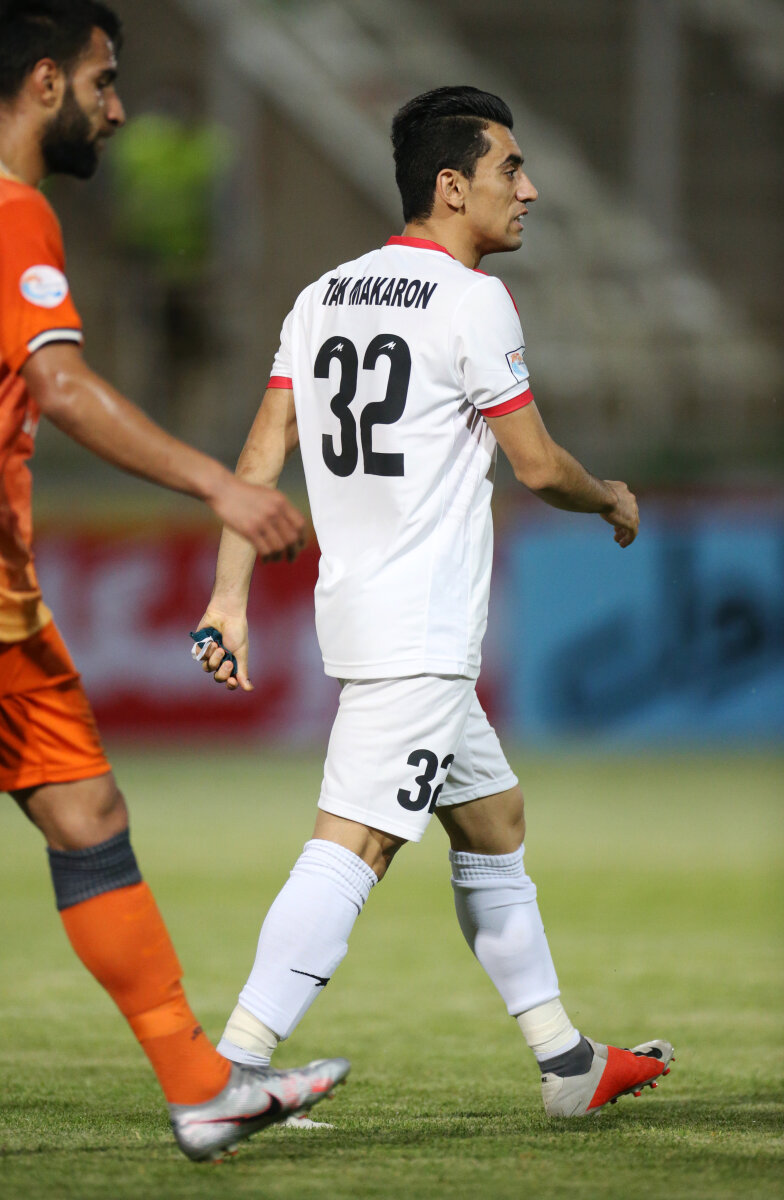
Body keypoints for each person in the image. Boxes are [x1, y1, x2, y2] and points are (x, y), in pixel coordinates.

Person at [194, 85, 674, 1120]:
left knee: (493, 823)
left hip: (371, 616)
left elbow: (262, 453)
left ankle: (565, 1063)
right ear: (451, 187)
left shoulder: (321, 296)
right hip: (419, 629)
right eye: (511, 169)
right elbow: (535, 465)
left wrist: (229, 595)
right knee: (355, 844)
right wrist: (608, 497)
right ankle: (230, 1074)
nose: (529, 190)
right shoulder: (469, 300)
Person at [0, 0, 348, 1163]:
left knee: (85, 812)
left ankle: (202, 1088)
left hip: (2, 602)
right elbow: (61, 387)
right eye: (104, 83)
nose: (119, 110)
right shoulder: (9, 210)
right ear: (46, 82)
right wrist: (220, 486)